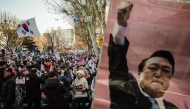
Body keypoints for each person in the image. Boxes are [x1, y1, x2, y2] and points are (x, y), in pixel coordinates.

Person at [108, 2, 178, 109]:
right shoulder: (128, 94)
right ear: (139, 74)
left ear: (170, 79)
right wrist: (121, 24)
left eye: (166, 70)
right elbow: (117, 65)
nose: (158, 74)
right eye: (153, 68)